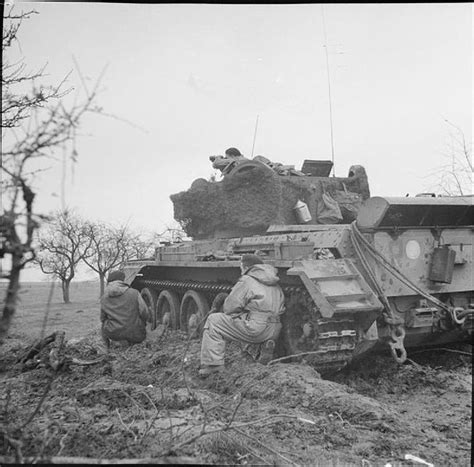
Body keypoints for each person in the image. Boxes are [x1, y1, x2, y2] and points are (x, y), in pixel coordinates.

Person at [199, 254, 285, 377]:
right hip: (274, 329)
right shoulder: (274, 281)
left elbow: (229, 308)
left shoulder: (247, 280)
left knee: (214, 321)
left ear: (245, 267)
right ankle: (266, 346)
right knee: (253, 318)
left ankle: (213, 365)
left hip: (256, 328)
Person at [100, 270, 150, 352]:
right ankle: (135, 344)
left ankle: (107, 348)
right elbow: (145, 312)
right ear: (122, 281)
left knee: (103, 326)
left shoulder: (104, 297)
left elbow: (102, 318)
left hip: (114, 334)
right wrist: (142, 324)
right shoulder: (135, 293)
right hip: (135, 333)